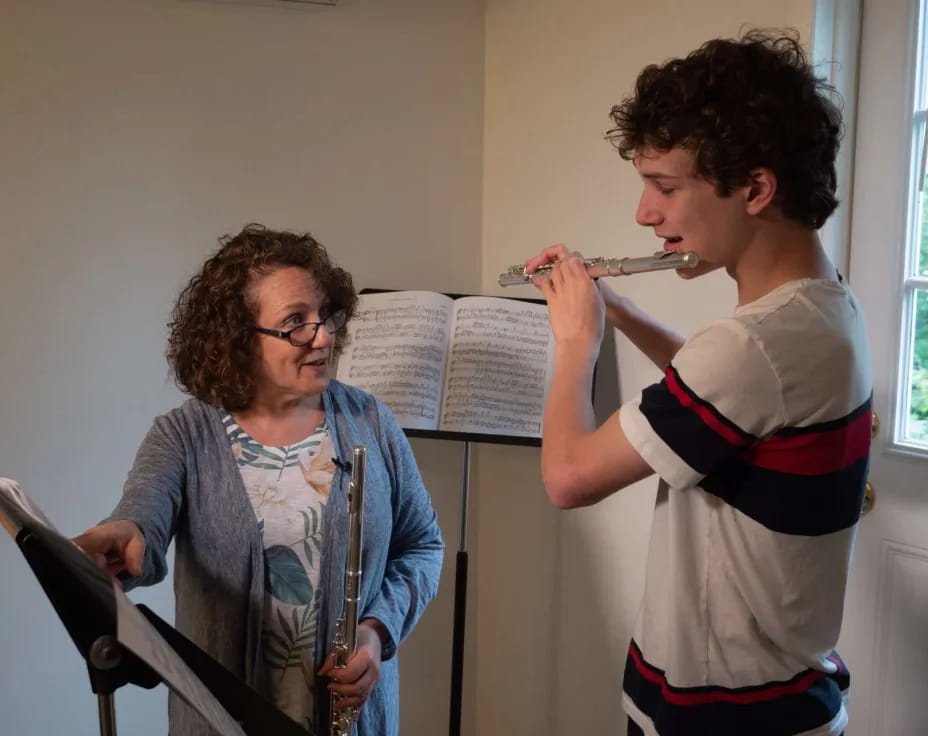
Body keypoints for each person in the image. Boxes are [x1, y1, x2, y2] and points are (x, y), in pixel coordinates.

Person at [525, 31, 870, 736]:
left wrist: (575, 338)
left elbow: (566, 478)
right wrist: (618, 306)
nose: (644, 214)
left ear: (756, 188)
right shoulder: (823, 307)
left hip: (725, 715)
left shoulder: (750, 346)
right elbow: (726, 399)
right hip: (780, 698)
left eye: (666, 185)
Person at [75, 224, 444, 735]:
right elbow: (143, 517)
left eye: (325, 315)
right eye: (296, 322)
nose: (322, 336)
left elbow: (422, 545)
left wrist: (376, 633)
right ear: (240, 339)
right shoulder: (183, 435)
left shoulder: (370, 421)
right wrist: (125, 537)